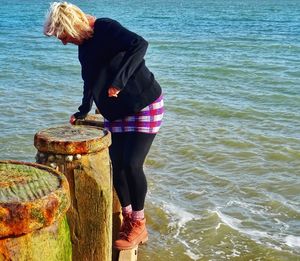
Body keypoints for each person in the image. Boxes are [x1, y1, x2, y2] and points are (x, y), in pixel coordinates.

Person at [44, 2, 164, 250]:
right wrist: (83, 109)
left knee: (132, 164)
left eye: (63, 36)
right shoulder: (83, 49)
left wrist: (119, 81)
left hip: (144, 104)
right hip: (115, 112)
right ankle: (129, 218)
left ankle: (139, 224)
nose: (64, 42)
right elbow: (90, 80)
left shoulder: (106, 28)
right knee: (117, 166)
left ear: (71, 26)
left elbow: (140, 44)